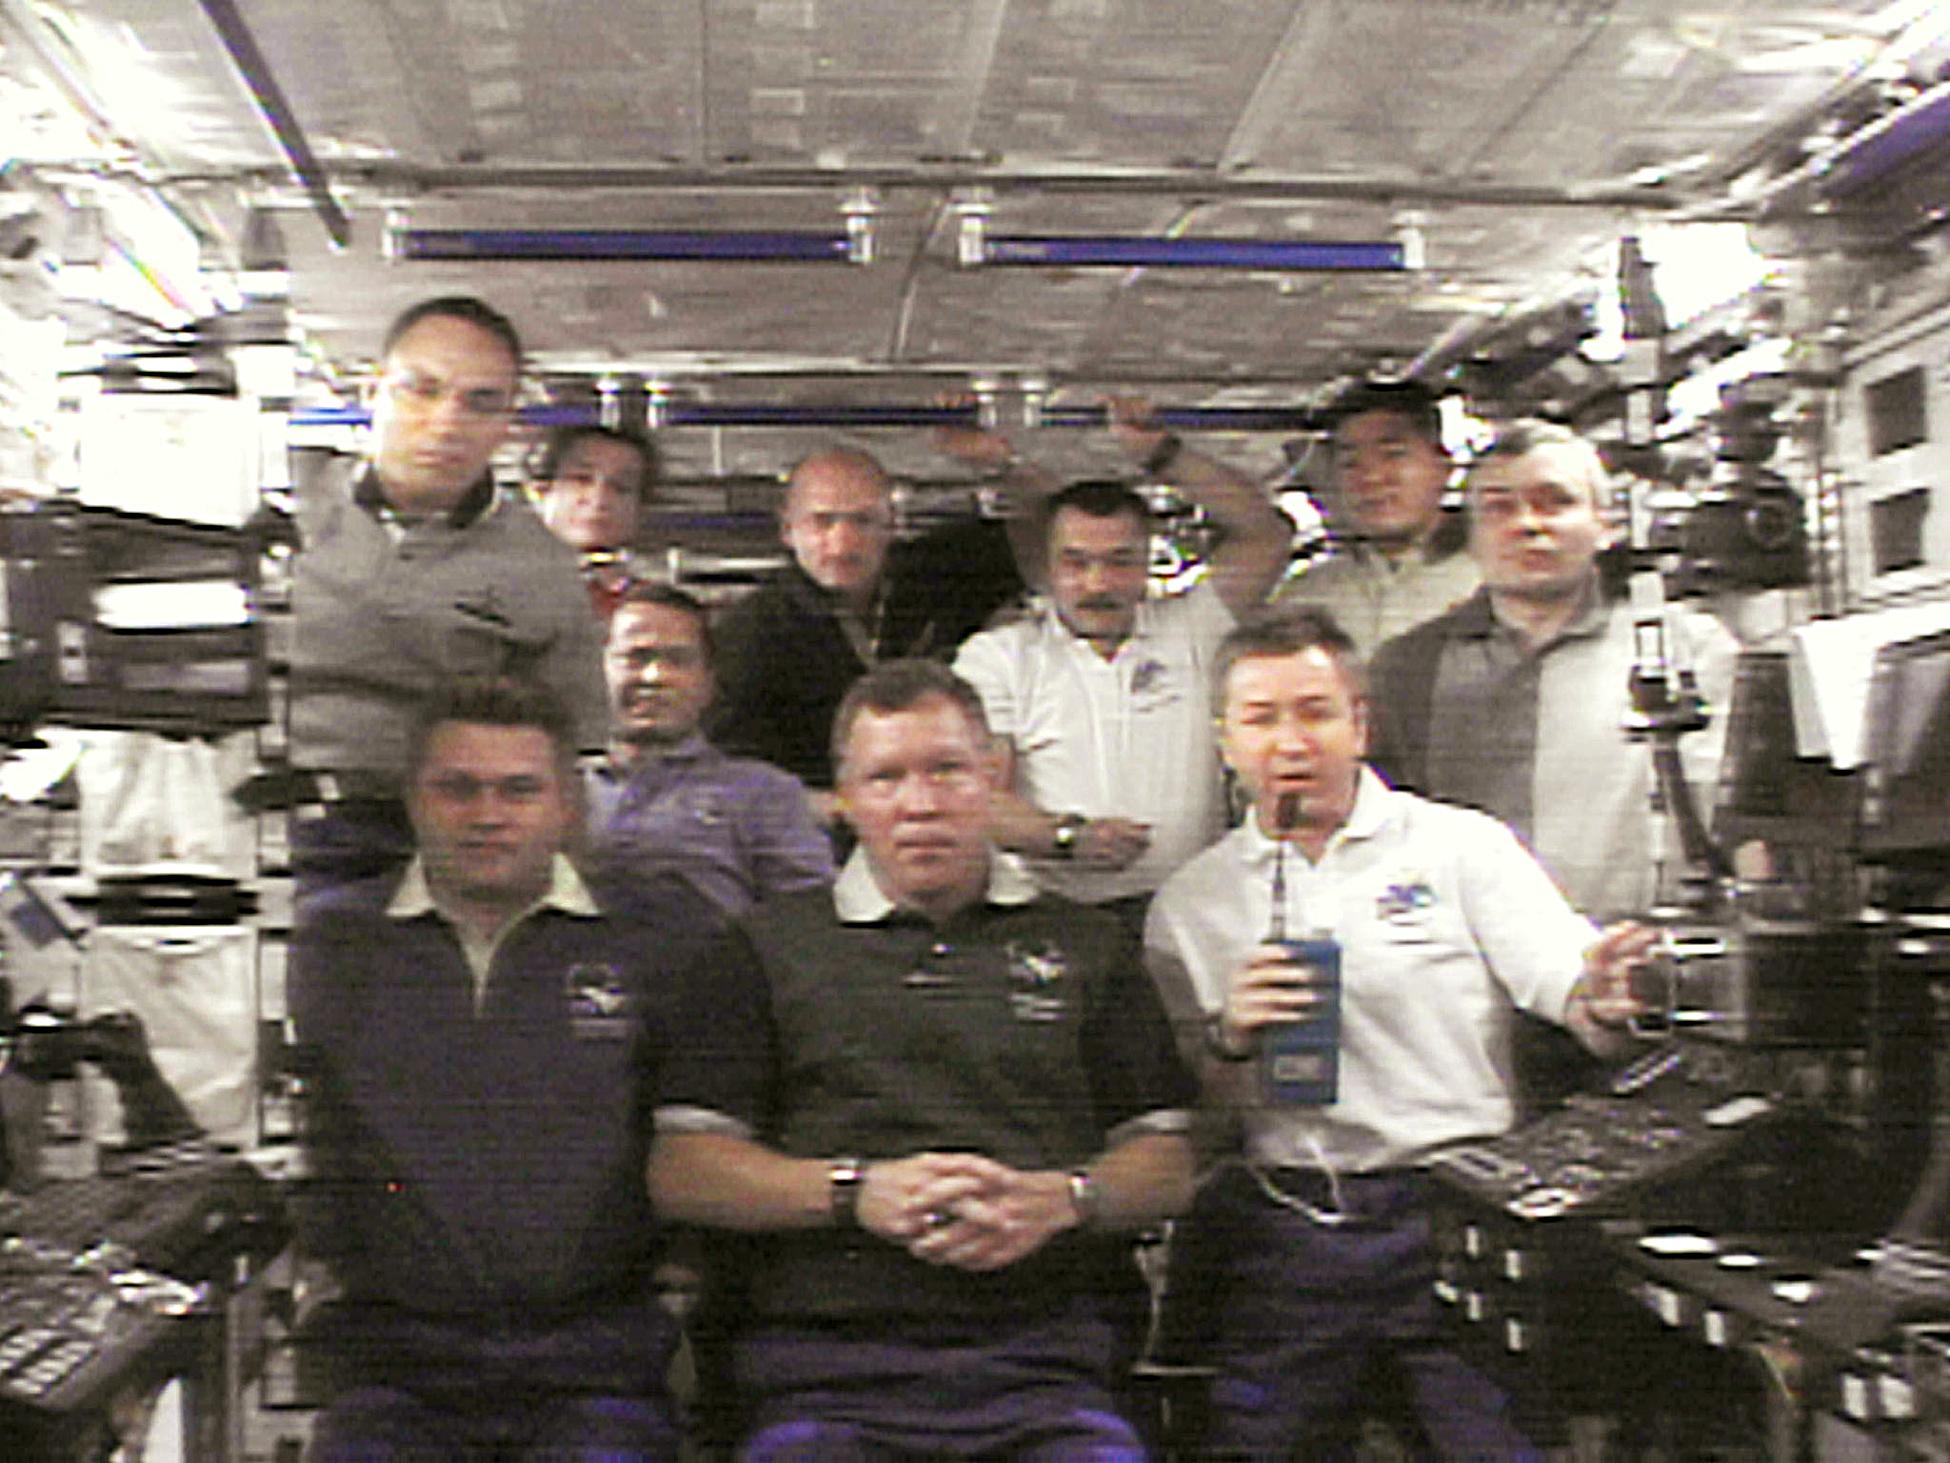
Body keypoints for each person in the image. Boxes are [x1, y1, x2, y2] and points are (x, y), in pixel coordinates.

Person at [648, 659, 1196, 1459]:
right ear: (844, 800)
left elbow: (1168, 1161)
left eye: (947, 769)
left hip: (1049, 1369)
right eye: (885, 777)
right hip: (822, 1376)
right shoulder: (760, 948)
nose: (920, 802)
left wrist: (1065, 1199)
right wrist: (854, 1192)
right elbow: (684, 1168)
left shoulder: (1089, 945)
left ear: (992, 779)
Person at [1143, 608, 1656, 1459]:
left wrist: (1608, 994)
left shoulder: (1461, 847)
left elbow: (1572, 990)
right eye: (1260, 719)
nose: (1289, 742)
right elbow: (1192, 1121)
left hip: (1453, 1214)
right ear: (1224, 740)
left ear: (1360, 723)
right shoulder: (1190, 904)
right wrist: (1231, 1039)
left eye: (1314, 711)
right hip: (1286, 1223)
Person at [290, 676, 697, 1462]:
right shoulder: (332, 945)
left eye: (518, 789)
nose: (487, 815)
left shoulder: (657, 940)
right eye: (457, 789)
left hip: (595, 1367)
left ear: (566, 803)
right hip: (394, 1371)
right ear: (413, 799)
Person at [288, 295, 605, 896]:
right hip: (246, 827)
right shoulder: (277, 509)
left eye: (480, 402)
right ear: (373, 391)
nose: (446, 422)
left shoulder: (541, 569)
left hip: (428, 848)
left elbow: (568, 763)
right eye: (421, 390)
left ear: (510, 422)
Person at [1366, 418, 1739, 921]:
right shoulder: (1409, 668)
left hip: (1637, 955)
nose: (1528, 524)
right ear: (1472, 537)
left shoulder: (1689, 650)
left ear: (1606, 525)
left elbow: (1738, 822)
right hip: (1470, 972)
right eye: (1499, 508)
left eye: (1554, 501)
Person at [951, 406, 1292, 929]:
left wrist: (1164, 455)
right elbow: (973, 795)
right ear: (1047, 564)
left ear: (1149, 558)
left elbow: (1265, 535)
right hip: (1050, 916)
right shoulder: (998, 657)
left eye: (1119, 560)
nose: (1098, 583)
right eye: (1077, 562)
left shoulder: (1195, 626)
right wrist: (1066, 838)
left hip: (1193, 912)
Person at [704, 446, 1023, 812]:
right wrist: (852, 811)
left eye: (863, 521)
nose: (842, 544)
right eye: (822, 522)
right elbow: (731, 775)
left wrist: (1000, 463)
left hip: (942, 811)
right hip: (810, 839)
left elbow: (1048, 530)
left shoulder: (938, 574)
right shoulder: (748, 632)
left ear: (893, 522)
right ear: (787, 529)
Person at [587, 581, 834, 924]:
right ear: (601, 669)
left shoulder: (765, 794)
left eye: (677, 660)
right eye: (636, 657)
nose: (654, 676)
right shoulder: (554, 788)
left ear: (709, 684)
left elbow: (809, 931)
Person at [1270, 378, 1479, 655]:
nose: (1371, 477)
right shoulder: (1310, 597)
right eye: (1350, 464)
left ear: (1444, 466)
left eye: (1394, 454)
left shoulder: (1496, 577)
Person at [530, 423, 660, 621]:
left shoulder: (652, 608)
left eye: (621, 487)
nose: (599, 499)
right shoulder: (496, 586)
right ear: (540, 491)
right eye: (581, 479)